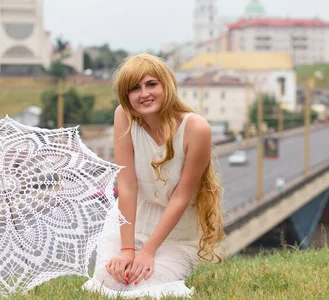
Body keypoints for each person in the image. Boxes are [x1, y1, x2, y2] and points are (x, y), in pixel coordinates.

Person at [82, 53, 224, 298]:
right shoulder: (124, 116)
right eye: (134, 88)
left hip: (174, 233)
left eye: (151, 84)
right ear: (126, 96)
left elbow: (181, 196)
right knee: (108, 285)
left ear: (166, 85)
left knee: (146, 289)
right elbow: (126, 185)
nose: (144, 94)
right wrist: (127, 249)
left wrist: (147, 252)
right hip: (128, 223)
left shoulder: (196, 128)